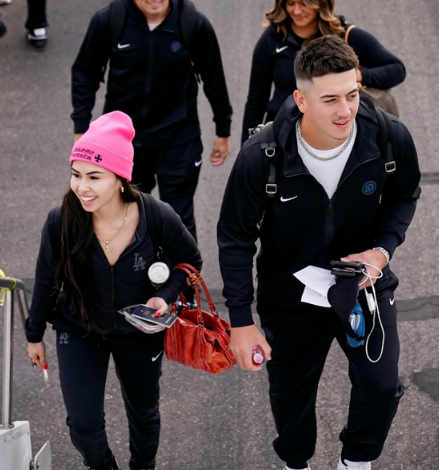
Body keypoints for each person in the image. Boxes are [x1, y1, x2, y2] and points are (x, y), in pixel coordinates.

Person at [218, 36, 421, 470]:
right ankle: (296, 463)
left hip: (363, 285)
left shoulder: (389, 137)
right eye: (330, 99)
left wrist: (382, 251)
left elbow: (404, 196)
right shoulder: (261, 157)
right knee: (291, 397)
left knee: (381, 386)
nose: (345, 110)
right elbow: (235, 236)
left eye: (352, 94)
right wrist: (241, 321)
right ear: (301, 99)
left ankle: (356, 461)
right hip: (289, 296)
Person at [26, 111, 202, 470]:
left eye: (95, 177)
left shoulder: (157, 215)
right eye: (76, 174)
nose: (82, 187)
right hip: (79, 329)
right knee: (83, 425)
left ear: (120, 179)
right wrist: (34, 335)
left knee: (144, 414)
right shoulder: (61, 220)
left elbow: (191, 261)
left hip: (139, 332)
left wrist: (164, 295)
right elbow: (46, 280)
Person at [71, 0, 233, 242]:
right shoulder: (109, 20)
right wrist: (81, 127)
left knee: (178, 222)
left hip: (178, 141)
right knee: (124, 219)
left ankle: (181, 268)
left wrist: (223, 130)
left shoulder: (193, 24)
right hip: (123, 145)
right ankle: (131, 267)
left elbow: (214, 78)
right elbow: (86, 73)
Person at [241, 0, 406, 143]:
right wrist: (247, 149)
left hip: (334, 138)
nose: (296, 11)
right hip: (283, 134)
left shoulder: (345, 35)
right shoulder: (272, 39)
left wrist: (356, 76)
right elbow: (256, 99)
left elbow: (397, 69)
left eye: (304, 3)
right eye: (290, 3)